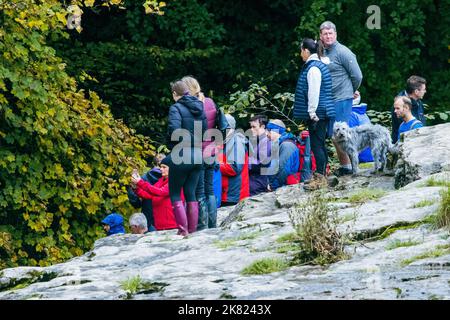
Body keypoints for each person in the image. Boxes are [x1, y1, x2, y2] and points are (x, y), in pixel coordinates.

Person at [319, 21, 363, 176]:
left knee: (340, 134)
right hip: (329, 100)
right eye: (325, 34)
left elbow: (357, 75)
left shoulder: (343, 52)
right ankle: (346, 166)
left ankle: (350, 166)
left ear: (335, 34)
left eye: (331, 33)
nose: (328, 36)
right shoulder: (323, 51)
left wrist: (352, 90)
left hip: (342, 98)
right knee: (334, 135)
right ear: (321, 36)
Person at [165, 80, 206, 236]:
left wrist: (170, 143)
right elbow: (204, 132)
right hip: (197, 155)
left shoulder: (176, 108)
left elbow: (174, 131)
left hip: (181, 154)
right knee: (191, 192)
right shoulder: (199, 108)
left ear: (175, 94)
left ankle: (183, 231)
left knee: (175, 193)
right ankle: (192, 230)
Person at [293, 38, 335, 180]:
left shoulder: (313, 68)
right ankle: (323, 173)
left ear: (306, 50)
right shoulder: (318, 65)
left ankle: (320, 176)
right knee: (320, 144)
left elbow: (313, 92)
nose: (300, 54)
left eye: (301, 51)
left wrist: (312, 112)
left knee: (317, 145)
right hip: (323, 110)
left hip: (318, 112)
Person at [182, 76, 218, 230]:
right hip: (211, 150)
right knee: (210, 190)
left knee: (199, 192)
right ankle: (213, 224)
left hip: (198, 152)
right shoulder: (210, 102)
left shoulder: (190, 106)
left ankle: (202, 227)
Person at [132, 157, 179, 231]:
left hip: (172, 225)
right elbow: (149, 194)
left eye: (164, 167)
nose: (161, 169)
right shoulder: (160, 181)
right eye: (160, 167)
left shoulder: (175, 181)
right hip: (159, 225)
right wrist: (136, 188)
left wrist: (140, 182)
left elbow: (160, 192)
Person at [127, 154, 165, 232]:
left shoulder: (142, 179)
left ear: (153, 164)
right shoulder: (169, 179)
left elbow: (135, 202)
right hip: (167, 218)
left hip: (148, 219)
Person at [218, 114, 250, 206]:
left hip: (233, 196)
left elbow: (234, 168)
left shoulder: (237, 141)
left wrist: (213, 165)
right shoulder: (225, 140)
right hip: (226, 194)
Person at [391, 76, 427, 143]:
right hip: (405, 144)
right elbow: (403, 134)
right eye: (424, 89)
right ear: (416, 91)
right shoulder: (399, 103)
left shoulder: (418, 101)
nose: (425, 91)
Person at [266, 119, 299, 190]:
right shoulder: (280, 144)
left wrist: (273, 186)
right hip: (281, 186)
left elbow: (283, 169)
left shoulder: (287, 146)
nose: (266, 134)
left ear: (275, 131)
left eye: (268, 131)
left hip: (284, 188)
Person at [248, 115, 271, 196]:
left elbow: (263, 165)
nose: (251, 129)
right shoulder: (259, 141)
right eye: (251, 127)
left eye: (254, 127)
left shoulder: (265, 142)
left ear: (263, 127)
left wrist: (245, 164)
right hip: (255, 182)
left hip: (258, 184)